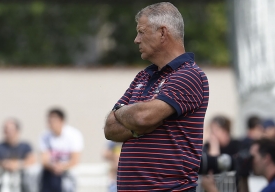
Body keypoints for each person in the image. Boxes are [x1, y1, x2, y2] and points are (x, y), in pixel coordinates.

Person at [104, 2, 209, 191]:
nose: (136, 39)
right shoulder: (143, 76)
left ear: (162, 33)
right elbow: (109, 128)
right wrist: (137, 126)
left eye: (141, 32)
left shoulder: (189, 75)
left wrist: (126, 114)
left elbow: (143, 117)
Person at [39, 108, 84, 192]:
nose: (51, 124)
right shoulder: (45, 136)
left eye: (54, 121)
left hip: (68, 170)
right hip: (51, 171)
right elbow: (44, 160)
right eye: (49, 121)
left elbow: (75, 160)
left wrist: (62, 167)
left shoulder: (74, 135)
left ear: (62, 121)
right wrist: (53, 167)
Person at [0, 118, 35, 192]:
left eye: (10, 130)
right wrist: (3, 164)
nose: (8, 132)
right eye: (6, 130)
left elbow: (32, 160)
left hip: (22, 180)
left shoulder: (25, 146)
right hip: (3, 179)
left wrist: (17, 165)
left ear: (17, 131)